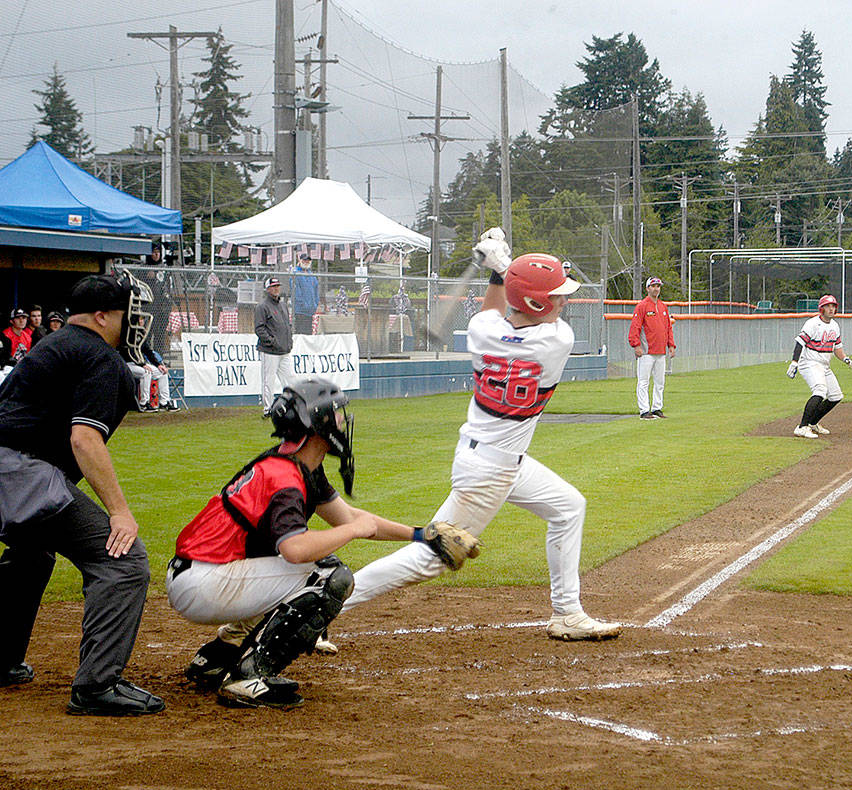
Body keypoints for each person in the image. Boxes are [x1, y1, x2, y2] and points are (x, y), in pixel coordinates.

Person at [342, 228, 622, 641]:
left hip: (493, 457)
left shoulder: (480, 331)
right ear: (534, 302)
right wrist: (504, 267)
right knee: (431, 556)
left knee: (568, 507)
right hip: (490, 470)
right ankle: (322, 603)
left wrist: (497, 270)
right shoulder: (556, 340)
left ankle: (567, 612)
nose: (564, 301)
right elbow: (510, 303)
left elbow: (497, 310)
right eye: (557, 295)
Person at [168, 378, 478, 709]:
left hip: (201, 575)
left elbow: (350, 517)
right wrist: (355, 531)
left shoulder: (296, 465)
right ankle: (248, 675)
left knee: (311, 570)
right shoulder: (285, 478)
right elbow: (297, 548)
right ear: (316, 424)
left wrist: (421, 534)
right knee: (328, 576)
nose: (342, 420)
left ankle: (217, 657)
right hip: (204, 583)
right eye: (335, 413)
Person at [0, 271, 165, 716]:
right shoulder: (99, 357)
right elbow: (84, 440)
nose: (133, 323)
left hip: (9, 469)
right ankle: (96, 686)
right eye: (124, 314)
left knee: (33, 552)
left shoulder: (50, 345)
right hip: (19, 473)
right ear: (99, 316)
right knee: (124, 562)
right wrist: (120, 512)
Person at [786, 294, 852, 439]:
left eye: (833, 306)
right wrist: (794, 362)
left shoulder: (835, 326)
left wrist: (845, 358)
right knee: (820, 390)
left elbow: (837, 348)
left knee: (835, 395)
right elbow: (800, 343)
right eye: (827, 306)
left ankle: (812, 423)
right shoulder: (812, 323)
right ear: (821, 309)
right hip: (810, 362)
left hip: (824, 364)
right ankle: (802, 427)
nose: (831, 309)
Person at [628, 276, 676, 419]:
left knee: (660, 381)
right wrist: (636, 345)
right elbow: (635, 327)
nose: (656, 289)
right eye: (653, 286)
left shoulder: (663, 307)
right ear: (648, 288)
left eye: (658, 286)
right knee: (643, 381)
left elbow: (668, 328)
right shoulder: (642, 306)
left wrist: (671, 345)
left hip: (660, 351)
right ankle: (644, 410)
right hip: (646, 352)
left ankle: (657, 408)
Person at [254, 276, 294, 416]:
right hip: (269, 351)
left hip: (284, 350)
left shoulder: (283, 305)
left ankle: (292, 405)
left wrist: (289, 341)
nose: (276, 288)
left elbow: (287, 325)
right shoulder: (262, 306)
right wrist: (271, 342)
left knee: (289, 380)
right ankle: (268, 409)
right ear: (267, 289)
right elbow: (259, 329)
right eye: (273, 286)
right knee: (268, 381)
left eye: (278, 286)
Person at [126, 341, 177, 411]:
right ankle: (143, 404)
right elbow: (129, 353)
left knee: (162, 372)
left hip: (140, 363)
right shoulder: (128, 337)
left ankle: (164, 402)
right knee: (146, 372)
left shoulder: (141, 338)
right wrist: (142, 364)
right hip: (127, 364)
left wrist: (158, 365)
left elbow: (148, 352)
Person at [291, 254, 319, 335]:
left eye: (308, 260)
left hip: (310, 311)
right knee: (300, 334)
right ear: (300, 261)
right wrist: (302, 304)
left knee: (308, 334)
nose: (306, 262)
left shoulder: (312, 275)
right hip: (300, 311)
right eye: (304, 260)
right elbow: (296, 293)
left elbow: (316, 290)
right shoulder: (295, 274)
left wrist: (315, 304)